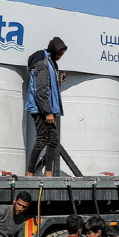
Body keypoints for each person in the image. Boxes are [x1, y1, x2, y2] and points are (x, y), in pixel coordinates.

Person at [25, 37, 67, 177]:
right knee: (42, 138)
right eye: (58, 54)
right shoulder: (42, 63)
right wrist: (47, 112)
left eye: (61, 55)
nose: (60, 57)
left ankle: (48, 173)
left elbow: (49, 84)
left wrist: (58, 78)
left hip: (48, 108)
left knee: (53, 140)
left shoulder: (51, 62)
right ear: (53, 50)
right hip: (40, 109)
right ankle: (30, 173)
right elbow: (41, 90)